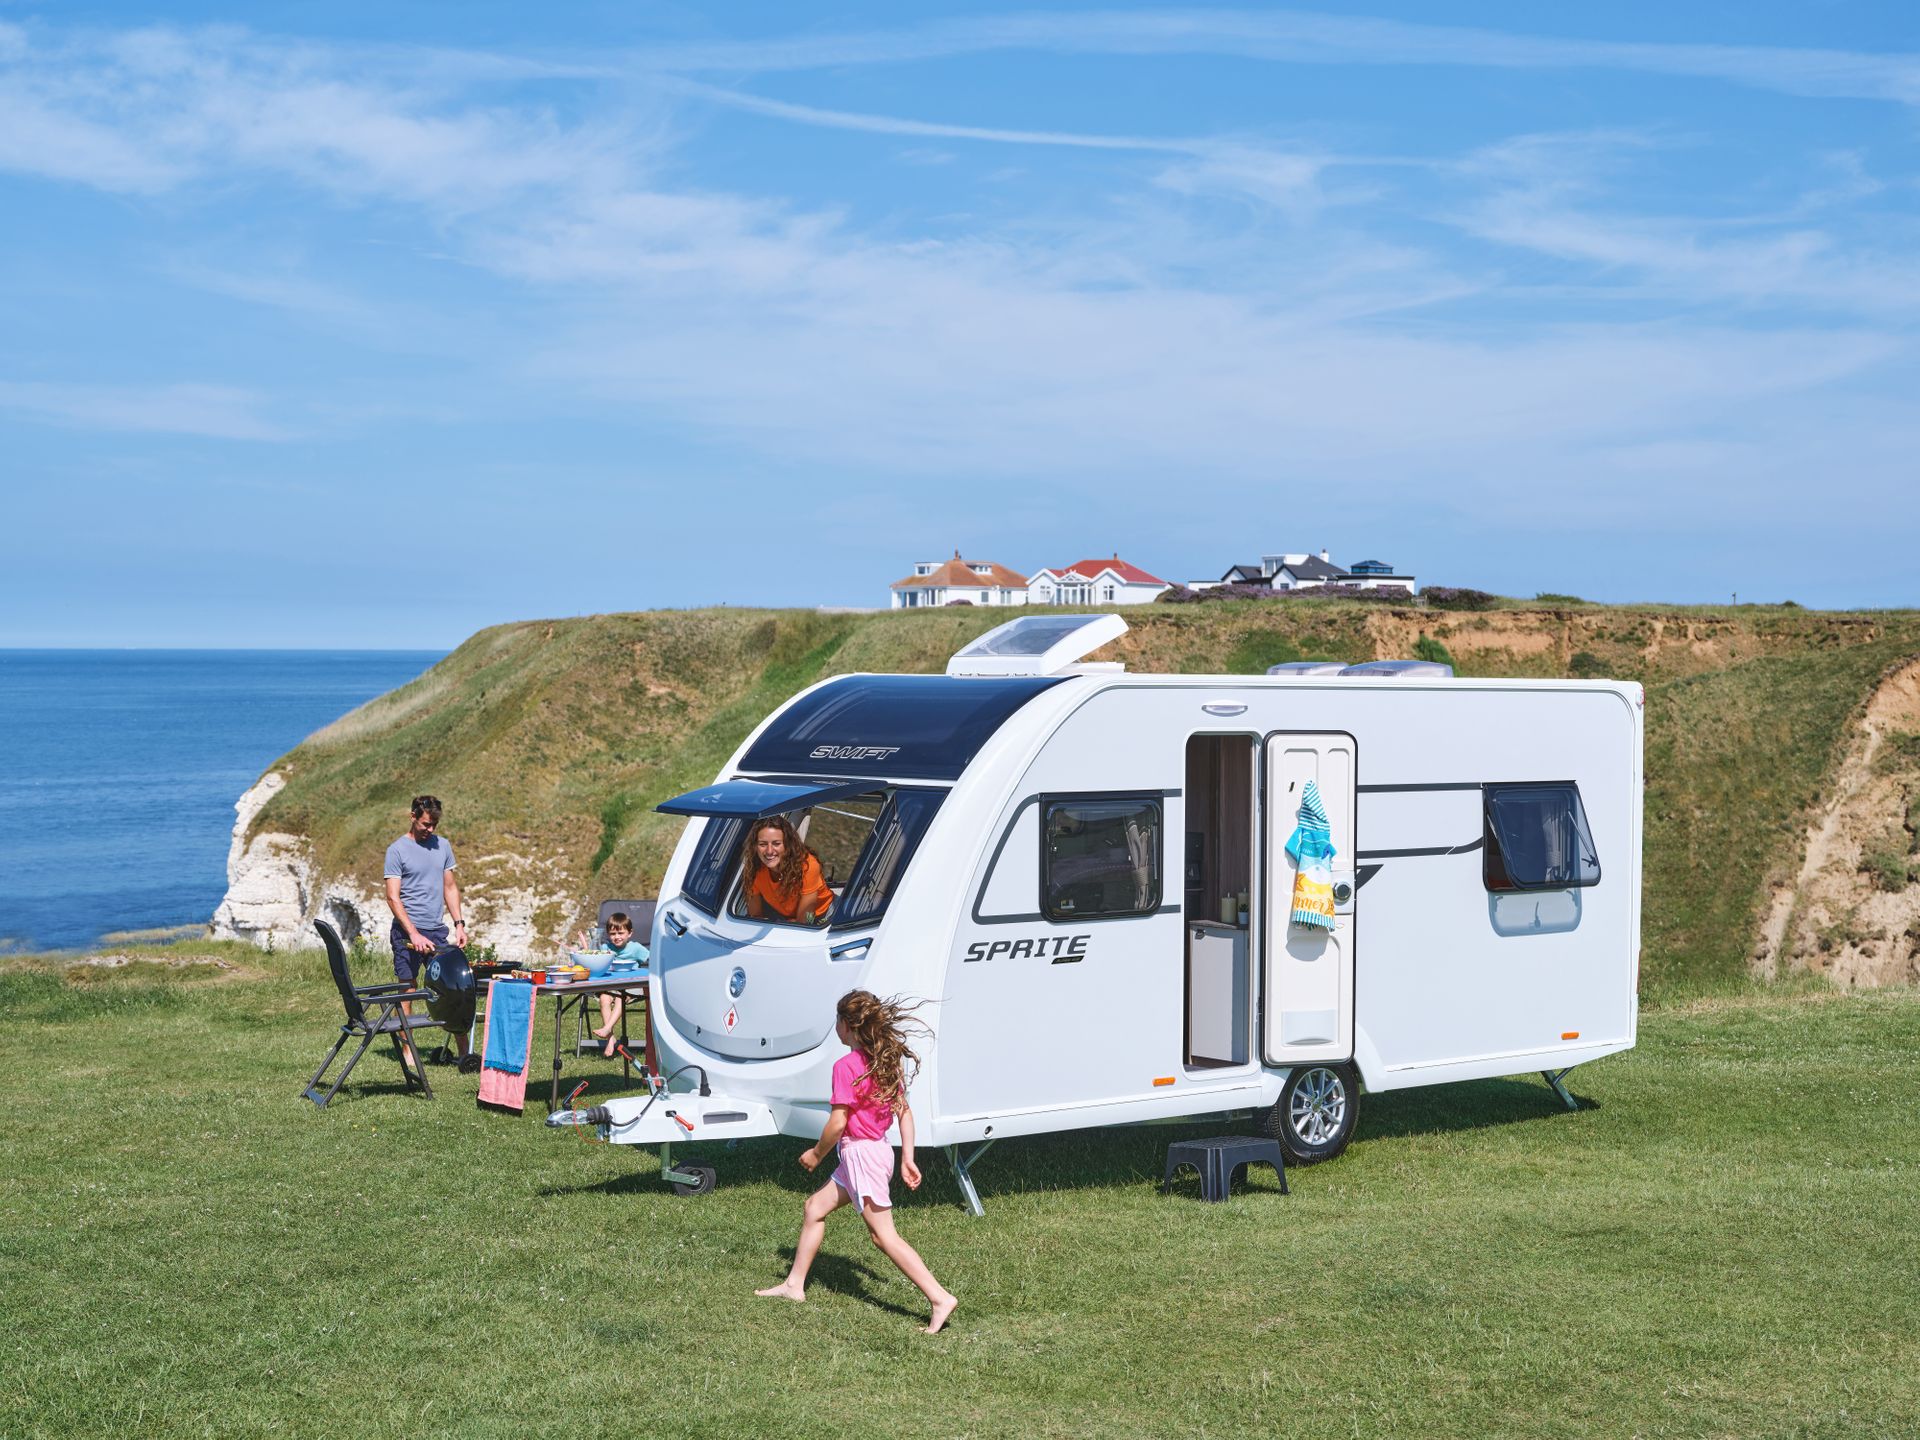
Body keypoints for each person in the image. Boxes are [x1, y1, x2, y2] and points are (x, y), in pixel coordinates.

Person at [755, 991, 957, 1334]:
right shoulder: (883, 1063)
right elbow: (905, 1113)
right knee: (814, 1208)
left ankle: (939, 1297)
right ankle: (794, 1285)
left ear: (847, 1026)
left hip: (862, 1155)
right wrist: (907, 1156)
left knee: (883, 1237)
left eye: (837, 1020)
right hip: (870, 1153)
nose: (836, 1026)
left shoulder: (846, 1066)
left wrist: (815, 1154)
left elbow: (837, 1123)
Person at [383, 794, 477, 1073]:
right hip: (406, 932)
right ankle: (408, 1051)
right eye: (426, 824)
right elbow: (392, 898)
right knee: (408, 989)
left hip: (437, 930)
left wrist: (459, 924)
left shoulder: (443, 846)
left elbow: (450, 887)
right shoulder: (397, 850)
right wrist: (412, 934)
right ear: (412, 816)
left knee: (454, 989)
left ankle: (464, 1054)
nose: (431, 829)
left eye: (435, 824)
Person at [573, 910, 648, 1058]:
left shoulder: (636, 948)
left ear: (629, 933)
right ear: (608, 934)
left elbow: (652, 959)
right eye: (613, 934)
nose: (617, 937)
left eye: (621, 933)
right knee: (604, 999)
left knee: (620, 997)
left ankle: (607, 1028)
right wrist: (584, 945)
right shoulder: (606, 948)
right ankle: (610, 1037)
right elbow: (593, 959)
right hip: (609, 985)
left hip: (629, 986)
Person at [739, 814, 832, 925]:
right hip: (784, 916)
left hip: (820, 915)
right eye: (762, 844)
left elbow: (807, 917)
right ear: (755, 846)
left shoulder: (808, 866)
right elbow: (755, 915)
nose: (769, 851)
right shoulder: (753, 870)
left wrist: (804, 925)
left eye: (776, 844)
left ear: (787, 844)